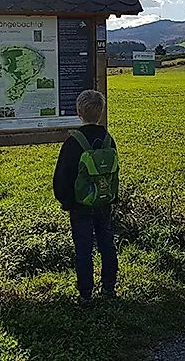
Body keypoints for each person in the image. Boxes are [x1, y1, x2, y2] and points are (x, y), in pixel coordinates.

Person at [53, 90, 118, 303]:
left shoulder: (74, 142)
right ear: (101, 111)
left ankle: (85, 293)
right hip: (104, 200)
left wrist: (66, 201)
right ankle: (109, 287)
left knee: (83, 248)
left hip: (80, 204)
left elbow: (63, 176)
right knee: (107, 243)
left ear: (79, 112)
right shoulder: (108, 139)